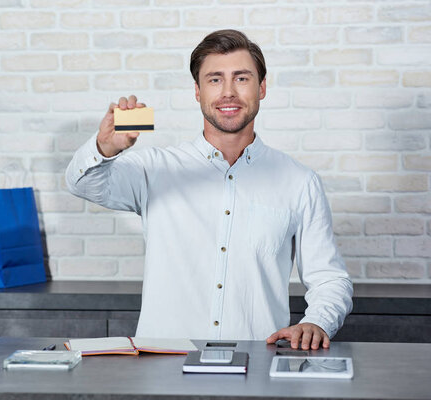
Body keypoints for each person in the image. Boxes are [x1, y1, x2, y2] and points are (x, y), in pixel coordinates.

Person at [65, 29, 352, 350]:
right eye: (215, 80)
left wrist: (317, 321)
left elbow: (329, 278)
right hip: (163, 365)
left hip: (257, 365)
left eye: (241, 78)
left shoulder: (299, 181)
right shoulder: (155, 169)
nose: (228, 92)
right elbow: (81, 183)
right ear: (198, 92)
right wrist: (105, 147)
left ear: (262, 88)